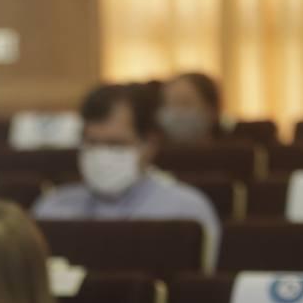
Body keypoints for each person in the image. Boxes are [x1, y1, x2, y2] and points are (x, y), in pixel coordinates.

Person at [32, 83, 221, 265]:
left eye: (116, 144)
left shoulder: (187, 211)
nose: (102, 155)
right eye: (92, 143)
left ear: (149, 145)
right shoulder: (51, 208)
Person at [159, 72, 223, 143]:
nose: (176, 112)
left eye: (185, 103)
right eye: (169, 103)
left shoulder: (230, 150)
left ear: (211, 109)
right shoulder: (154, 151)